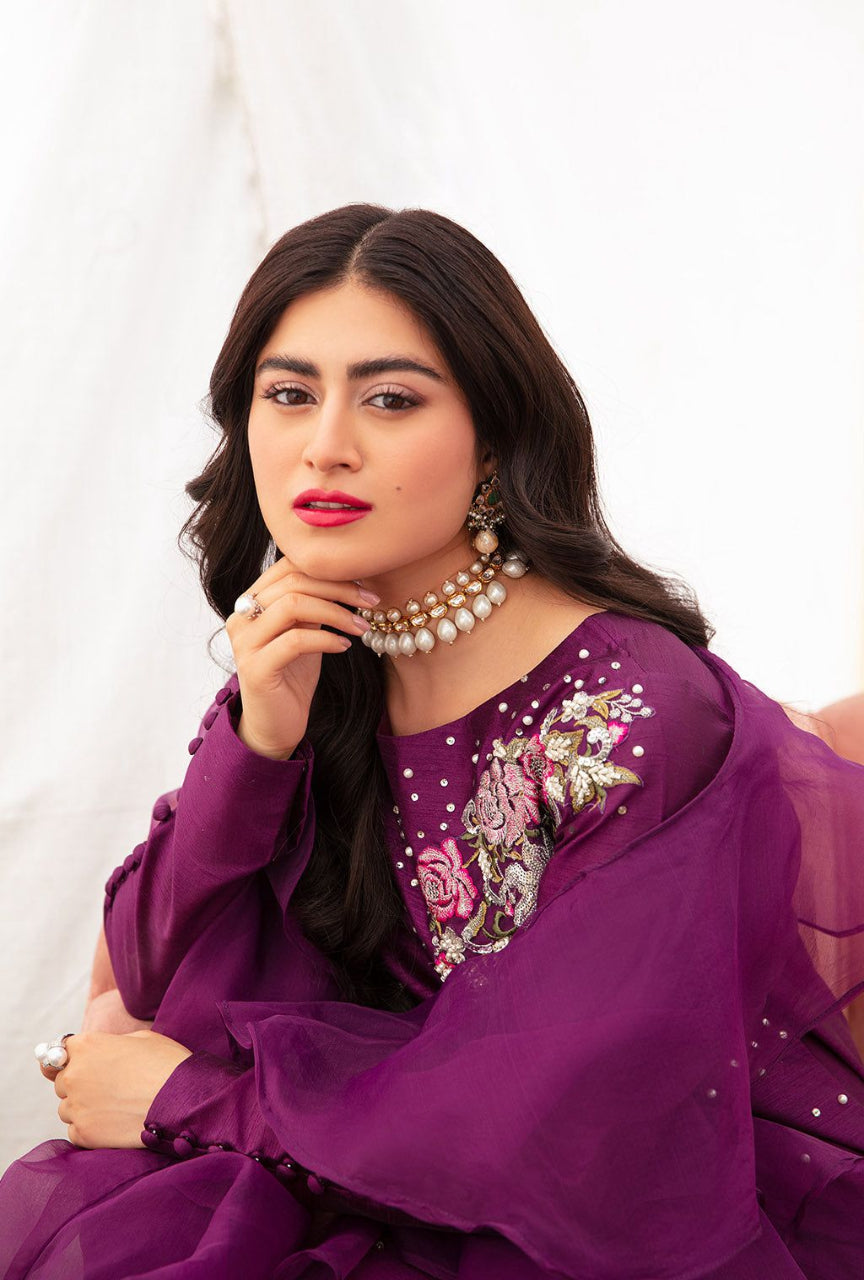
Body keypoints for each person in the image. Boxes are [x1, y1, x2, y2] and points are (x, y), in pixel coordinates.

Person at [2, 204, 863, 1279]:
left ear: (494, 436)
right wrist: (257, 740)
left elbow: (571, 1118)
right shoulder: (318, 652)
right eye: (290, 393)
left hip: (599, 1213)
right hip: (360, 1167)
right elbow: (147, 969)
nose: (326, 445)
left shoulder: (631, 709)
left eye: (391, 398)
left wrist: (193, 1102)